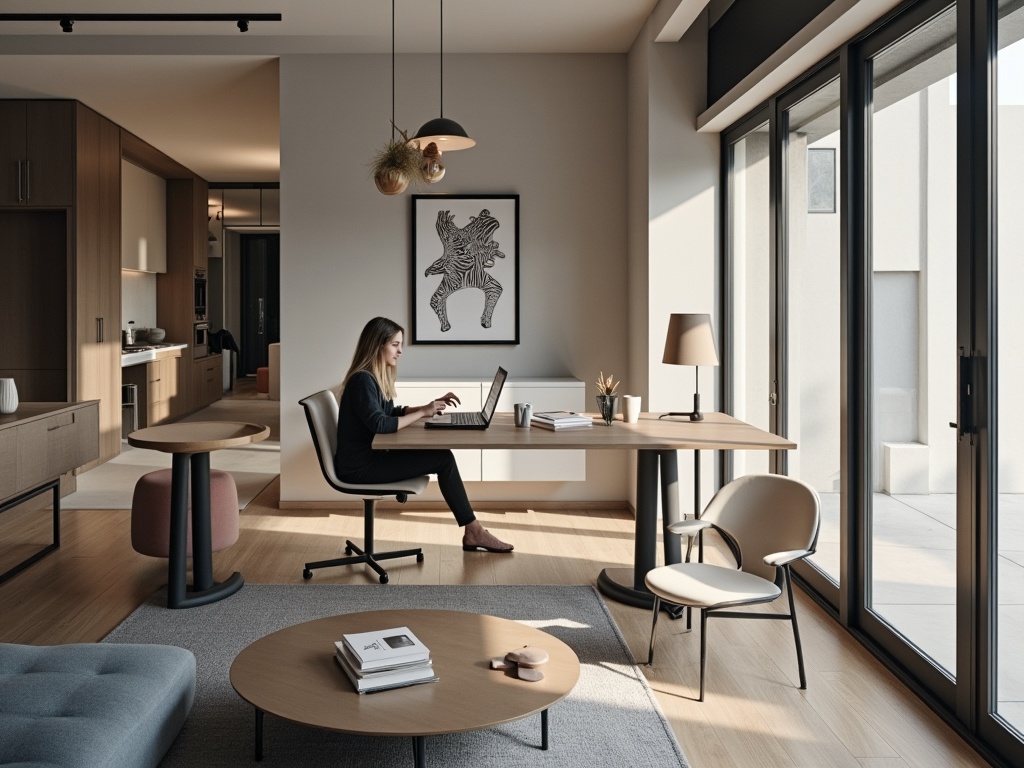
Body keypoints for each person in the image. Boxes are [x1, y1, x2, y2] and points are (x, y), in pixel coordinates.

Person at [334, 316, 513, 553]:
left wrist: (426, 407)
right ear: (378, 345)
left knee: (443, 457)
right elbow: (381, 424)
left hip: (369, 459)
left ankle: (473, 530)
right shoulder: (362, 381)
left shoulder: (371, 378)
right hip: (359, 468)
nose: (400, 351)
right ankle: (474, 532)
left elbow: (390, 412)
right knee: (443, 459)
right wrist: (424, 413)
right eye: (395, 345)